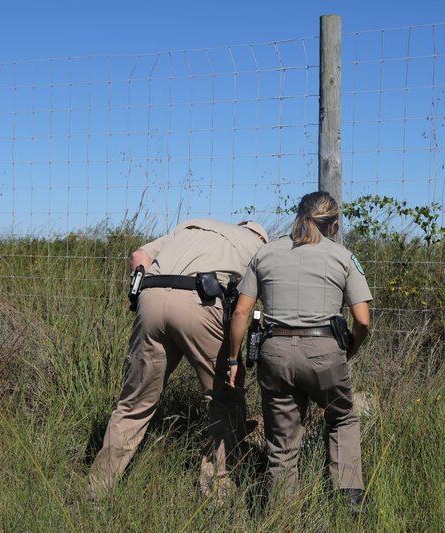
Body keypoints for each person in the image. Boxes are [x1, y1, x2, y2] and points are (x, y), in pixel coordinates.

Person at [89, 218, 269, 499]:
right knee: (225, 398)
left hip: (150, 297)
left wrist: (140, 290)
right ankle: (217, 493)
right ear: (260, 238)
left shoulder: (191, 227)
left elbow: (140, 255)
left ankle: (96, 491)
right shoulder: (257, 247)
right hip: (202, 302)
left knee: (134, 404)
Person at [227, 191, 372, 512]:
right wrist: (348, 351)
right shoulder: (342, 257)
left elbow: (241, 313)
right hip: (325, 351)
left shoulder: (266, 253)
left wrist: (235, 359)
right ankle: (350, 497)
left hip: (274, 353)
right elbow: (362, 320)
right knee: (343, 417)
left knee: (282, 442)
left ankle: (281, 513)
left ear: (298, 217)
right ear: (334, 224)